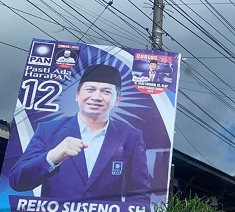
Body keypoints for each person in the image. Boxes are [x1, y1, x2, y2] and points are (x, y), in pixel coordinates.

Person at [9, 64, 151, 204]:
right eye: (90, 89)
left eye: (106, 92)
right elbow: (17, 181)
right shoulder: (49, 130)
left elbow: (140, 194)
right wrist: (51, 157)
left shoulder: (131, 137)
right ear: (77, 95)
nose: (96, 97)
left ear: (117, 100)